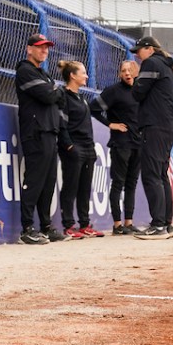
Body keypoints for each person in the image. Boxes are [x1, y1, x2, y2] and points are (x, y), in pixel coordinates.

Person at [14, 34, 66, 245]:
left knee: (48, 182)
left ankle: (46, 226)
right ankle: (27, 228)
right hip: (35, 132)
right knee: (35, 180)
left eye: (46, 48)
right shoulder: (25, 70)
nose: (44, 51)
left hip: (49, 131)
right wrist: (55, 91)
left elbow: (58, 98)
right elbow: (49, 96)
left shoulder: (43, 73)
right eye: (40, 47)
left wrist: (55, 91)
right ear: (29, 49)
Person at [130, 36, 173, 240]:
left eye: (139, 50)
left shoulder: (151, 62)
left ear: (150, 49)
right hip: (166, 126)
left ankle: (158, 224)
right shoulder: (166, 65)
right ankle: (166, 224)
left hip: (154, 125)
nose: (136, 55)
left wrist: (136, 78)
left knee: (152, 175)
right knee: (161, 176)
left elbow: (137, 93)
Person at [91, 60, 142, 235]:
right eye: (123, 71)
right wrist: (111, 124)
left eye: (130, 70)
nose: (127, 73)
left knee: (132, 183)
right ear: (120, 74)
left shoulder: (141, 92)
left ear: (137, 72)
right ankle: (117, 224)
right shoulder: (114, 91)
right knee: (118, 183)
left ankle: (129, 222)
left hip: (138, 144)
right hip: (121, 143)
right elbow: (94, 108)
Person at [56, 61, 104, 239]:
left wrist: (91, 147)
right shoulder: (63, 96)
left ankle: (85, 224)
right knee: (70, 187)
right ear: (72, 76)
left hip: (87, 148)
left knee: (85, 188)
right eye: (83, 73)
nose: (87, 76)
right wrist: (69, 145)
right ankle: (69, 226)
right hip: (73, 148)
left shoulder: (82, 98)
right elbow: (62, 124)